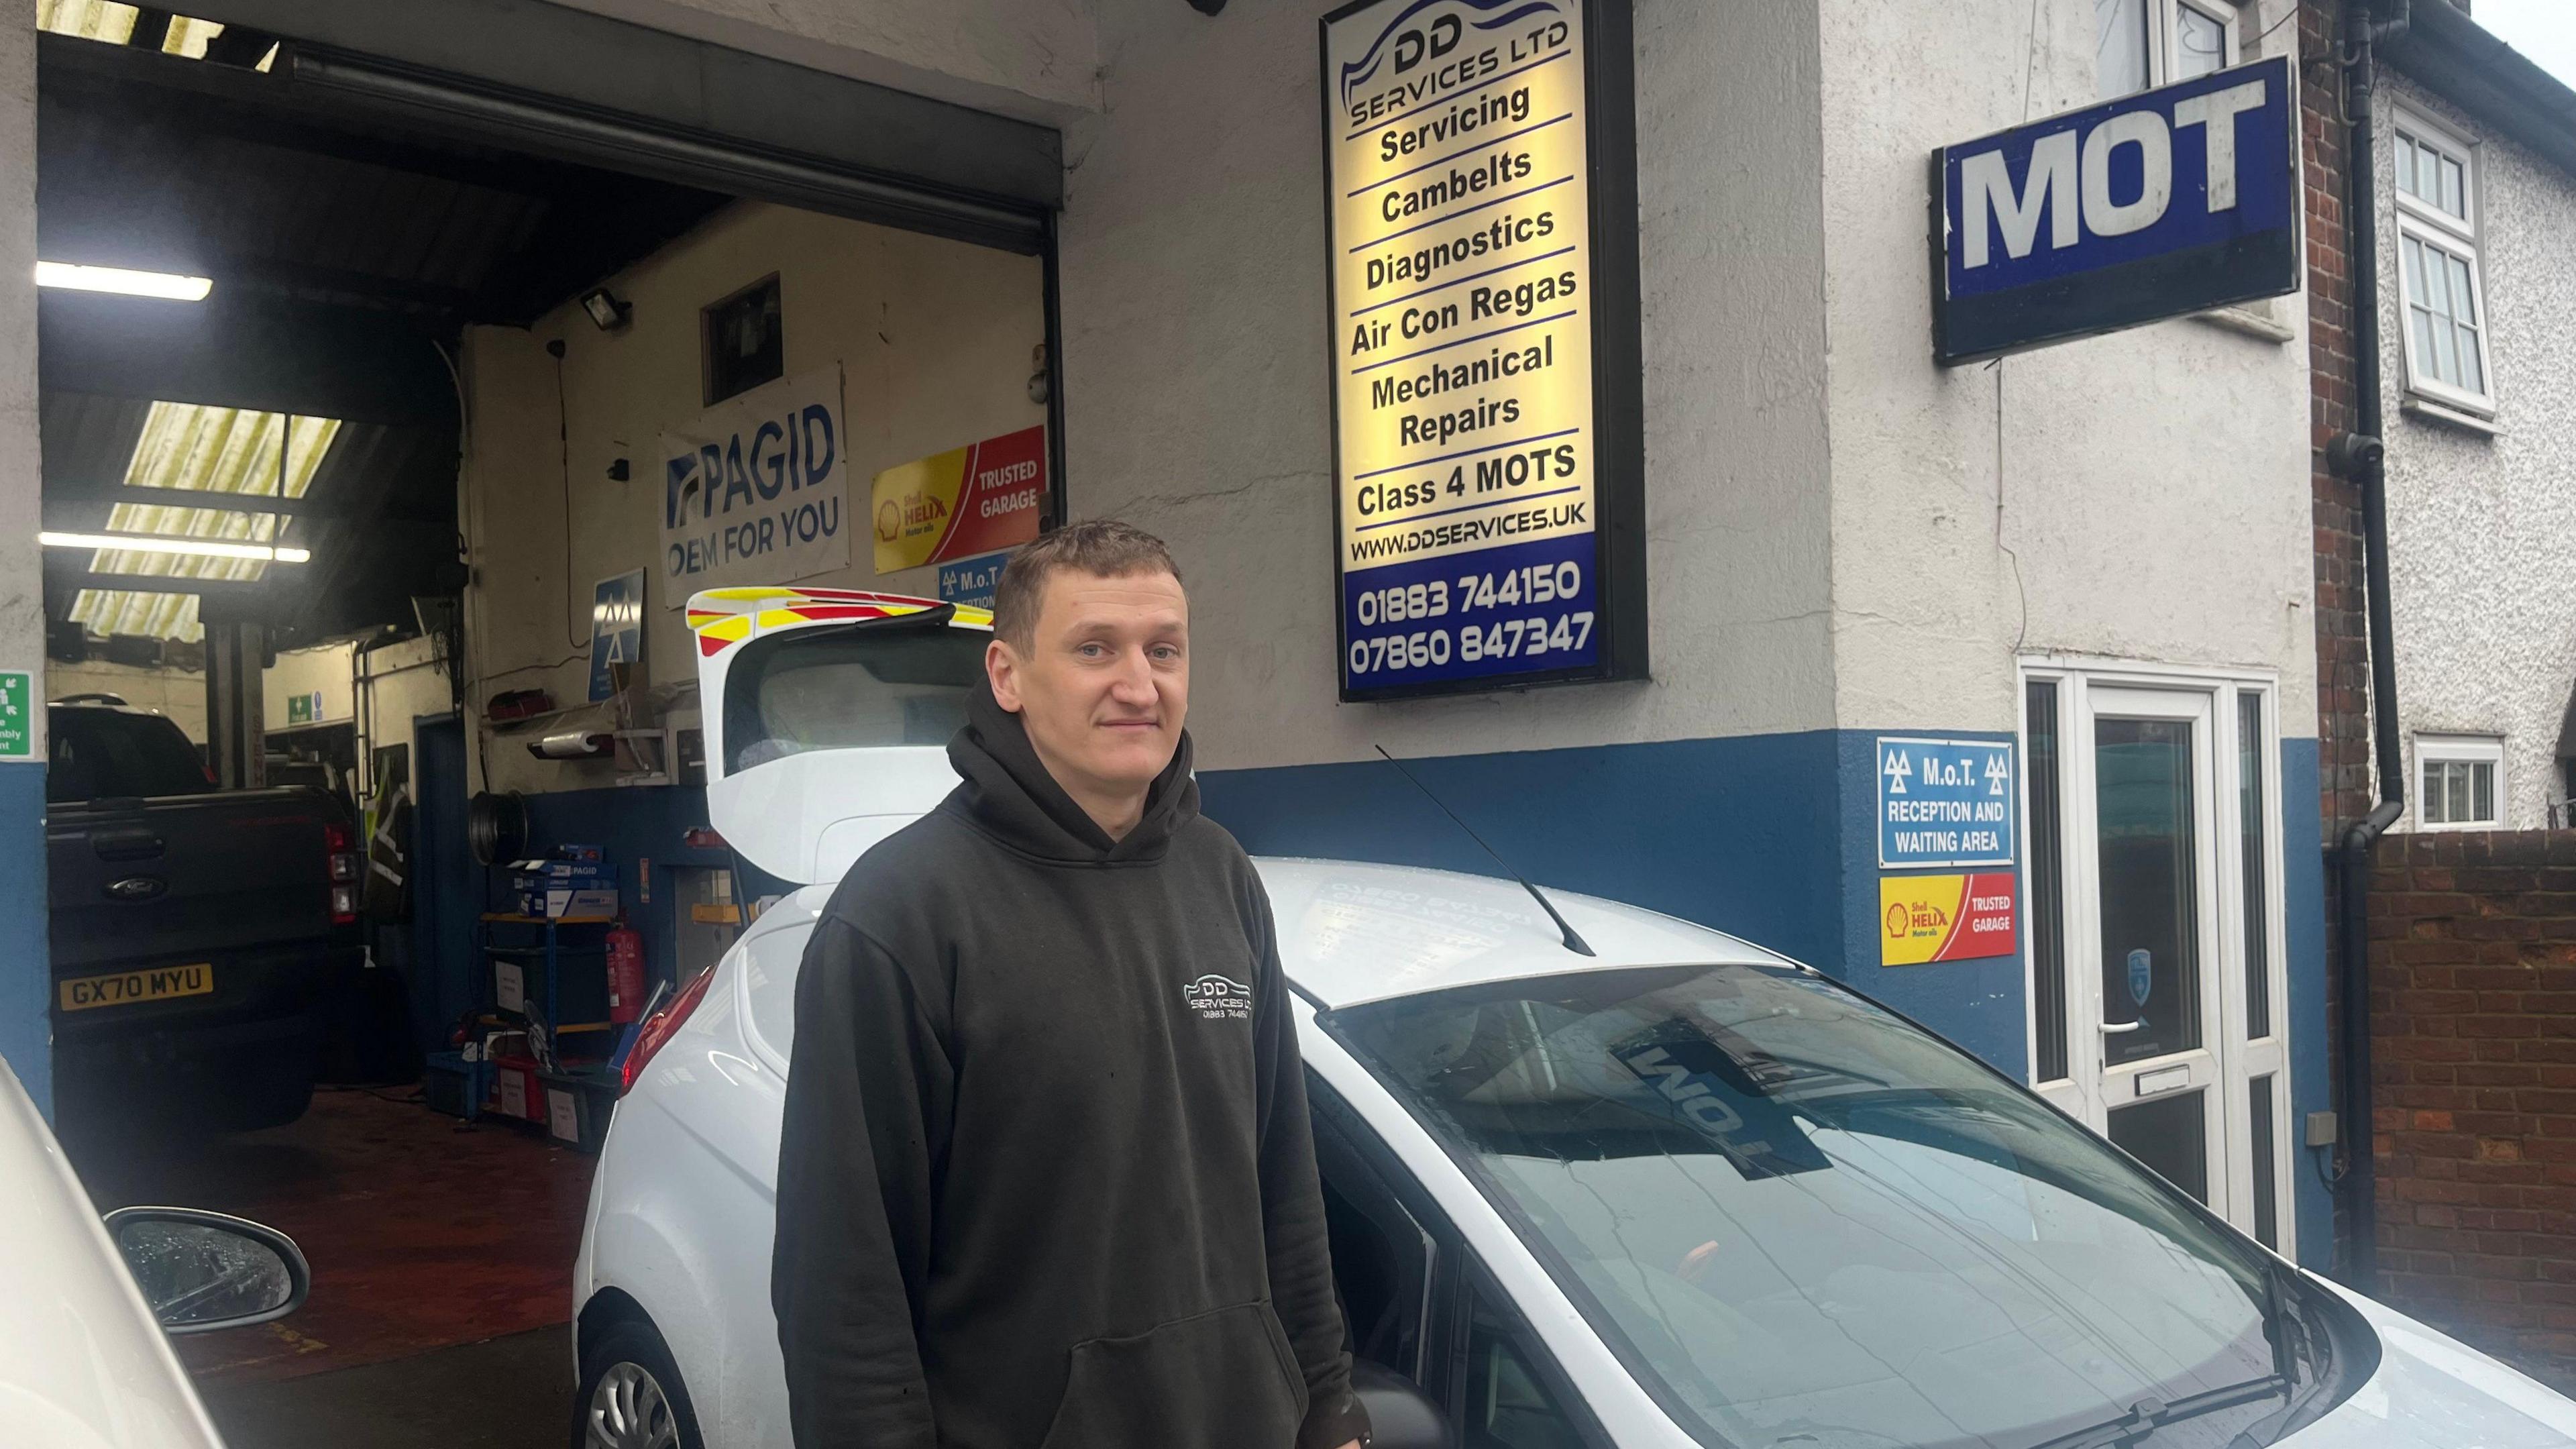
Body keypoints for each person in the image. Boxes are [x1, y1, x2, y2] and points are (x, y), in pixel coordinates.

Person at [772, 519, 1370, 1449]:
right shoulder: (902, 916)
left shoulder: (1223, 878)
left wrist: (1328, 1406)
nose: (1140, 685)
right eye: (1096, 648)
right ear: (1007, 676)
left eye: (1163, 650)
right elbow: (845, 1283)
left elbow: (1284, 1182)